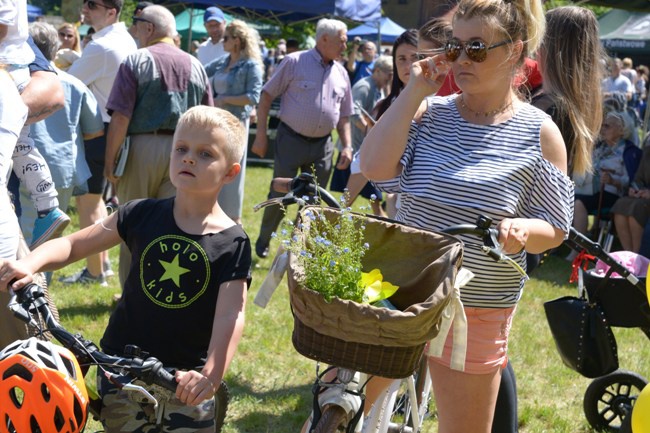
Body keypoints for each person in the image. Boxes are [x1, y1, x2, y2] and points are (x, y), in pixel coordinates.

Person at [359, 1, 573, 432]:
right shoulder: (429, 112)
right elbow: (374, 167)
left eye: (475, 48)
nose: (459, 59)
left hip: (477, 306)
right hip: (399, 292)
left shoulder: (539, 132)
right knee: (347, 412)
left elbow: (555, 227)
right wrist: (415, 91)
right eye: (454, 47)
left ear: (513, 51)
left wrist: (523, 230)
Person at [0, 106, 251, 432]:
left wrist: (211, 374)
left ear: (230, 173)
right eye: (182, 149)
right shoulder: (140, 213)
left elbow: (231, 314)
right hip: (120, 369)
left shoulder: (233, 242)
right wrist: (30, 263)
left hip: (187, 382)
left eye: (205, 154)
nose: (189, 158)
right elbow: (74, 245)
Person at [104, 4, 212, 287]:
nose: (133, 29)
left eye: (136, 23)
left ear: (149, 28)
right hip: (185, 154)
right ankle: (163, 290)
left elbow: (121, 118)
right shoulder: (197, 65)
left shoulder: (135, 61)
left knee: (132, 223)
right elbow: (209, 120)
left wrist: (110, 162)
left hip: (141, 148)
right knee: (174, 224)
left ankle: (130, 293)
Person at [251, 18, 354, 259]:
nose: (344, 47)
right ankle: (264, 239)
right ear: (324, 39)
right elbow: (266, 97)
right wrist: (261, 136)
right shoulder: (294, 62)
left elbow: (345, 115)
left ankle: (301, 249)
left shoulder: (342, 73)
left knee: (314, 200)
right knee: (281, 194)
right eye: (341, 42)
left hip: (323, 146)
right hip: (291, 140)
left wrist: (347, 145)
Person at [65, 0, 137, 285]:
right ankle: (101, 267)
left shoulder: (101, 47)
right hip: (115, 131)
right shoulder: (123, 39)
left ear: (112, 11)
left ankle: (95, 273)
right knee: (97, 203)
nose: (85, 8)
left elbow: (67, 84)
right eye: (86, 3)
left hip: (99, 133)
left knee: (88, 203)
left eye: (93, 4)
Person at [24, 23, 104, 263]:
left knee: (21, 237)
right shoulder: (75, 84)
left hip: (23, 170)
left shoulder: (14, 82)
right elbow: (94, 131)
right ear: (55, 49)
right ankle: (41, 291)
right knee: (49, 239)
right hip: (63, 171)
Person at [1, 0, 71, 250]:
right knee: (22, 147)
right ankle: (48, 206)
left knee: (16, 147)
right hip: (15, 71)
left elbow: (53, 93)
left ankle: (48, 208)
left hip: (9, 70)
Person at [204, 19, 263, 226]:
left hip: (236, 124)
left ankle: (233, 222)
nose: (222, 42)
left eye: (226, 38)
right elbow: (201, 71)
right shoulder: (222, 62)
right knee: (214, 169)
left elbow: (254, 96)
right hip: (216, 123)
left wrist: (224, 99)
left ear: (237, 41)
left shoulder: (251, 66)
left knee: (232, 173)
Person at [330, 55, 393, 215]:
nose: (391, 77)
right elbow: (353, 113)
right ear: (377, 71)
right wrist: (370, 132)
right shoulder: (364, 86)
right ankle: (330, 226)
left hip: (367, 152)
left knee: (372, 200)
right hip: (357, 151)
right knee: (350, 201)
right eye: (389, 73)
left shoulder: (378, 88)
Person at [572, 111, 631, 237]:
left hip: (611, 193)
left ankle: (577, 249)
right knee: (568, 196)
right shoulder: (599, 148)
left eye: (607, 126)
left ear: (621, 130)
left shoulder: (627, 152)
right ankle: (564, 240)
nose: (602, 129)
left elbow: (630, 181)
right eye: (602, 125)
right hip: (590, 190)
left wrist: (612, 181)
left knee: (579, 202)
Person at [613, 141, 650, 253]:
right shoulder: (648, 152)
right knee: (621, 204)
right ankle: (629, 255)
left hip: (645, 200)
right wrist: (635, 189)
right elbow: (638, 178)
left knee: (637, 208)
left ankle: (638, 256)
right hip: (644, 195)